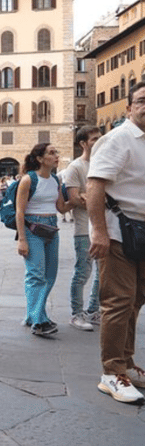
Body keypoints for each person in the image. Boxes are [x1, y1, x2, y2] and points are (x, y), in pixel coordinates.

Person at [88, 81, 145, 404]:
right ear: (129, 108)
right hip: (118, 233)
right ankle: (111, 373)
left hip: (141, 232)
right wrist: (98, 232)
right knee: (118, 302)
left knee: (135, 300)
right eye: (142, 100)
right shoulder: (118, 139)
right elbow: (95, 186)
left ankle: (126, 363)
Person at [15, 143, 69, 336]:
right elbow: (19, 211)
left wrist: (79, 200)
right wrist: (22, 239)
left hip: (52, 228)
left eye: (57, 153)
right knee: (36, 274)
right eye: (52, 153)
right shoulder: (29, 180)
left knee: (50, 275)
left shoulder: (56, 180)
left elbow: (61, 208)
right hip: (33, 228)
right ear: (40, 158)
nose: (56, 156)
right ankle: (39, 321)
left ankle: (33, 315)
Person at [64, 126, 102, 331]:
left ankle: (93, 310)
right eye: (95, 139)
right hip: (83, 229)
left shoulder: (103, 164)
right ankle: (76, 314)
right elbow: (74, 199)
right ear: (83, 144)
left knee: (102, 273)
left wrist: (91, 198)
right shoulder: (75, 167)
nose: (99, 141)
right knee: (82, 273)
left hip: (103, 227)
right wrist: (95, 199)